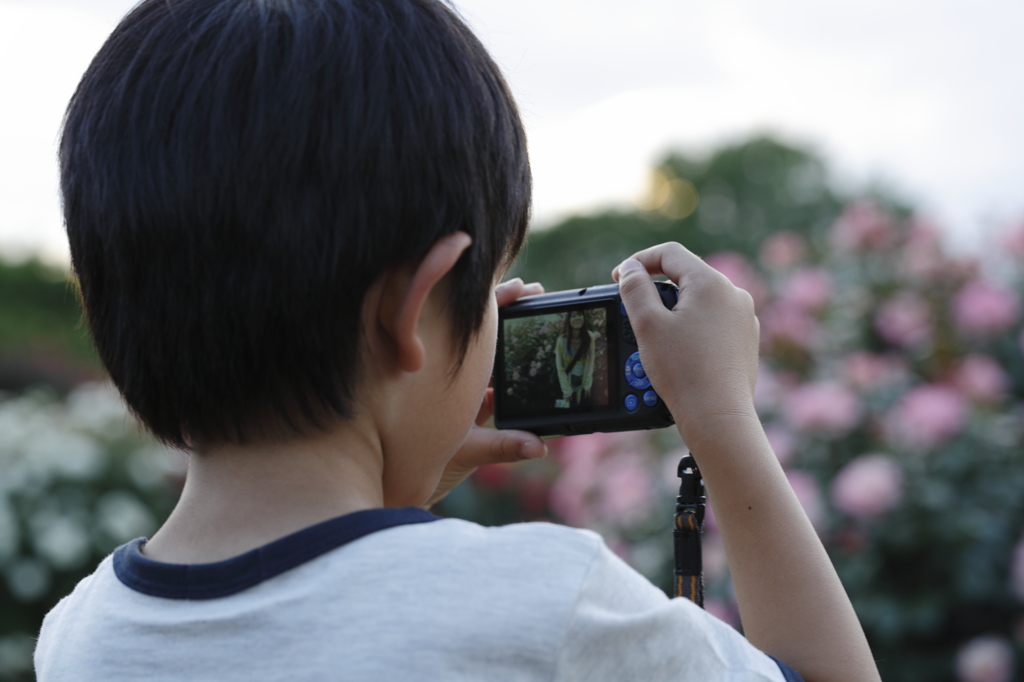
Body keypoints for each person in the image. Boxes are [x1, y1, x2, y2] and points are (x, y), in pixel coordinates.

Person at [35, 1, 882, 681]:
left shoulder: (79, 636)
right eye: (482, 298)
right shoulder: (549, 607)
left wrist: (394, 499)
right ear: (418, 309)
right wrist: (723, 419)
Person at [555, 309, 599, 408]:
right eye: (573, 316)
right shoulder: (562, 340)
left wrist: (587, 385)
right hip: (568, 384)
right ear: (568, 320)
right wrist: (567, 390)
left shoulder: (589, 336)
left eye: (579, 315)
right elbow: (560, 367)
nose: (577, 318)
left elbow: (590, 362)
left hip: (583, 384)